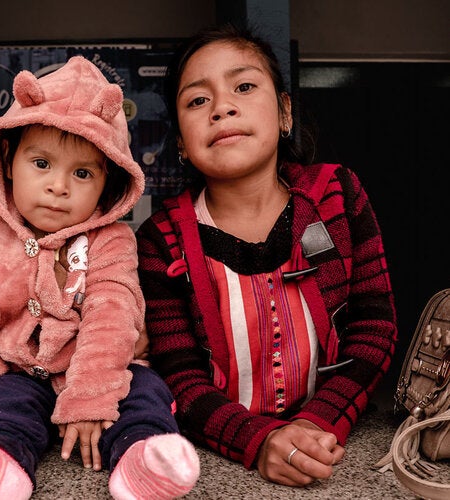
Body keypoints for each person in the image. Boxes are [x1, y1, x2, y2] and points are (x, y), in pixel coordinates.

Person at [0, 56, 200, 500]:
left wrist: (89, 396)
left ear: (109, 184)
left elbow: (112, 316)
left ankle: (142, 460)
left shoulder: (111, 240)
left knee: (143, 392)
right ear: (7, 161)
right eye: (41, 163)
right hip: (10, 370)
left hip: (92, 371)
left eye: (82, 173)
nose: (58, 186)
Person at [135, 24, 398, 487]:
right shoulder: (161, 239)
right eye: (198, 100)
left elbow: (374, 329)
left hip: (334, 441)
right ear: (180, 142)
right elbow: (178, 373)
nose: (222, 107)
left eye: (244, 86)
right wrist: (256, 441)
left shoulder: (338, 195)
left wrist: (315, 423)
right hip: (216, 459)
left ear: (284, 112)